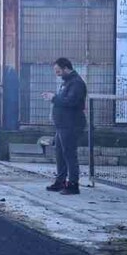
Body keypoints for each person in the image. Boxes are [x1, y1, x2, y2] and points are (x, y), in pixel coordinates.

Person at [42, 57, 87, 195]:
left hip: (71, 124)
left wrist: (54, 98)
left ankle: (73, 184)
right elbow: (64, 100)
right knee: (60, 153)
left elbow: (71, 101)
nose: (57, 74)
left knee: (69, 154)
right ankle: (61, 181)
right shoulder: (67, 82)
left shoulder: (76, 83)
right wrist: (54, 98)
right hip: (63, 124)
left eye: (58, 71)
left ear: (66, 68)